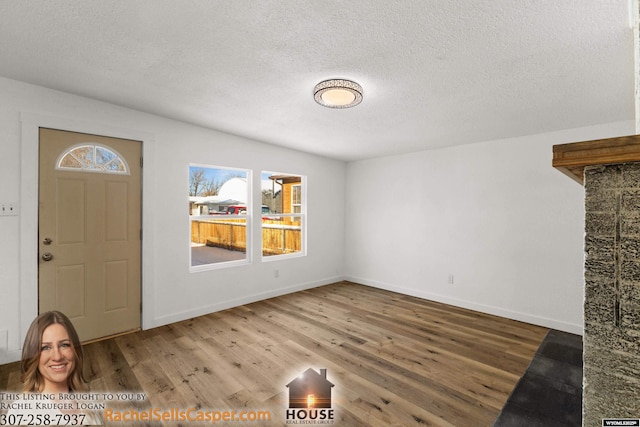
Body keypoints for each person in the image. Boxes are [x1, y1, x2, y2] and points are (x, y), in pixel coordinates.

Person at [6, 311, 102, 425]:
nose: (57, 356)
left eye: (64, 345)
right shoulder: (21, 412)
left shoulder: (89, 402)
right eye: (46, 347)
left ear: (75, 350)